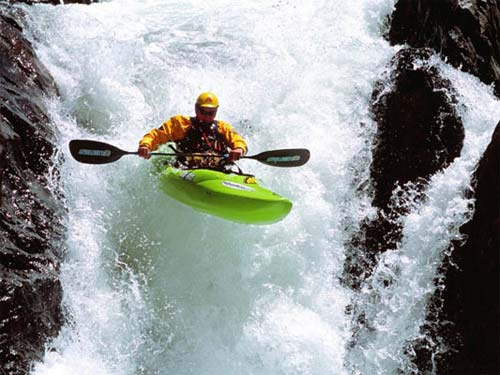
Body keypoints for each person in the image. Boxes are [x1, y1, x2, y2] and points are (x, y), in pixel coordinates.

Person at [138, 92, 247, 169]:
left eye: (211, 113)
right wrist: (145, 146)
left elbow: (238, 140)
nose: (207, 116)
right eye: (203, 111)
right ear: (196, 108)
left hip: (218, 171)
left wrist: (239, 149)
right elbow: (155, 135)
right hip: (186, 168)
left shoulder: (223, 127)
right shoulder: (180, 124)